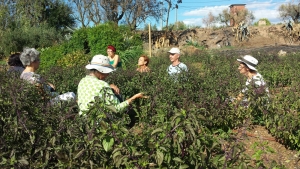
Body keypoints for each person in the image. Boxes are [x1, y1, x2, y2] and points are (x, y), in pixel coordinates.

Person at [77, 54, 146, 116]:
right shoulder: (103, 85)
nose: (108, 74)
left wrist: (109, 87)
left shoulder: (82, 81)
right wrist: (133, 98)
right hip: (98, 122)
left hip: (83, 119)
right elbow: (116, 109)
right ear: (100, 71)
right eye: (106, 72)